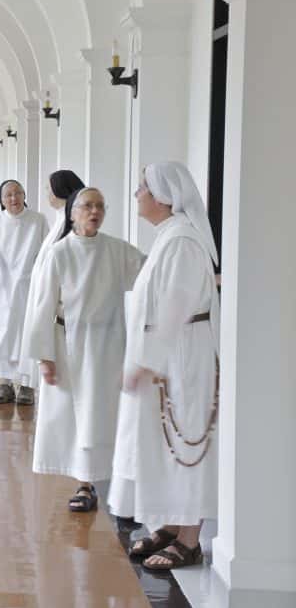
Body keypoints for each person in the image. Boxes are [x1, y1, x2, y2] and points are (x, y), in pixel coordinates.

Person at [108, 162, 219, 571]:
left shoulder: (183, 241)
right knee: (170, 443)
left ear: (164, 197)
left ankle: (189, 539)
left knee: (189, 440)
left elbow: (176, 307)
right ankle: (173, 525)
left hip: (184, 357)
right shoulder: (167, 237)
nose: (137, 194)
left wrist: (146, 361)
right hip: (168, 357)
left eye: (143, 188)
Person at [21, 188, 144, 513]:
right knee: (76, 416)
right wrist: (44, 355)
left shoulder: (117, 250)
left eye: (100, 206)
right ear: (73, 213)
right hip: (69, 344)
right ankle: (84, 483)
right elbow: (42, 305)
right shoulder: (59, 253)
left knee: (104, 412)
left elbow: (149, 277)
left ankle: (116, 480)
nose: (95, 212)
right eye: (87, 206)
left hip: (109, 344)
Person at [0, 179, 49, 405]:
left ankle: (27, 386)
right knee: (2, 335)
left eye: (18, 193)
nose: (13, 199)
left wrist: (40, 277)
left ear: (24, 195)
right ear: (1, 199)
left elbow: (47, 252)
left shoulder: (38, 221)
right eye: (8, 195)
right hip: (0, 286)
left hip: (27, 287)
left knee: (25, 334)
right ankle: (5, 383)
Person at [17, 169, 86, 403]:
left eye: (48, 188)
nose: (46, 193)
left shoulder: (71, 223)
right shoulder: (59, 219)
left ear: (60, 190)